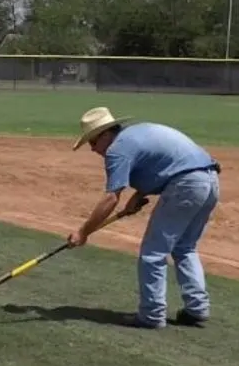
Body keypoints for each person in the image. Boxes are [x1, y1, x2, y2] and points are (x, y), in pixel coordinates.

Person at [67, 106, 221, 329]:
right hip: (210, 179)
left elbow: (111, 198)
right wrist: (139, 195)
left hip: (186, 184)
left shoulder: (117, 149)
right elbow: (163, 164)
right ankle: (197, 308)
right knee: (184, 247)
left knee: (153, 253)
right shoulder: (137, 133)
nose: (92, 149)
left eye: (93, 142)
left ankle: (152, 314)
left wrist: (83, 232)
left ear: (106, 134)